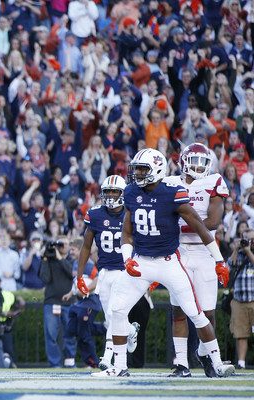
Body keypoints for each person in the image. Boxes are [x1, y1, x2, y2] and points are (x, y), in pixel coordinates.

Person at [93, 148, 234, 378]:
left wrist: (219, 260)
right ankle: (119, 367)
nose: (137, 173)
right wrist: (127, 259)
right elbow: (126, 232)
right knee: (117, 309)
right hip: (141, 261)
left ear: (156, 169)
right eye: (136, 169)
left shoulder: (172, 192)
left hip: (169, 262)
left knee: (196, 313)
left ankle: (217, 362)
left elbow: (200, 225)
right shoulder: (130, 192)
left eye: (142, 169)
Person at [165, 143, 229, 377]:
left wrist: (176, 224)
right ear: (182, 162)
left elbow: (212, 222)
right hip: (179, 252)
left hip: (204, 252)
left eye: (202, 162)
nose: (198, 167)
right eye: (193, 161)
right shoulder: (171, 183)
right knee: (179, 311)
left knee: (208, 313)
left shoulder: (214, 182)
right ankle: (181, 363)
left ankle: (204, 353)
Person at [76, 175, 140, 370]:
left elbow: (141, 245)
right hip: (104, 272)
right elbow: (86, 247)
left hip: (124, 271)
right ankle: (130, 330)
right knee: (110, 318)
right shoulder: (95, 214)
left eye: (115, 191)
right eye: (108, 192)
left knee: (114, 313)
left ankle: (106, 358)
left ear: (122, 193)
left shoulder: (131, 213)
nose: (111, 195)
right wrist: (79, 276)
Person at [39, 239, 77, 368]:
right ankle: (55, 364)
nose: (61, 247)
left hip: (69, 302)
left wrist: (60, 258)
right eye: (59, 245)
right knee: (51, 334)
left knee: (70, 333)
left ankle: (69, 362)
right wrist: (44, 259)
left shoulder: (72, 260)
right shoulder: (49, 260)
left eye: (63, 244)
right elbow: (45, 278)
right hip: (51, 302)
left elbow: (72, 273)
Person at [228, 229, 254, 370]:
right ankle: (241, 362)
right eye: (246, 239)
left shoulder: (250, 253)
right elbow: (229, 265)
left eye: (250, 239)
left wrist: (248, 250)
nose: (247, 242)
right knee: (240, 333)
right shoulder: (239, 254)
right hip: (239, 301)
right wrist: (237, 250)